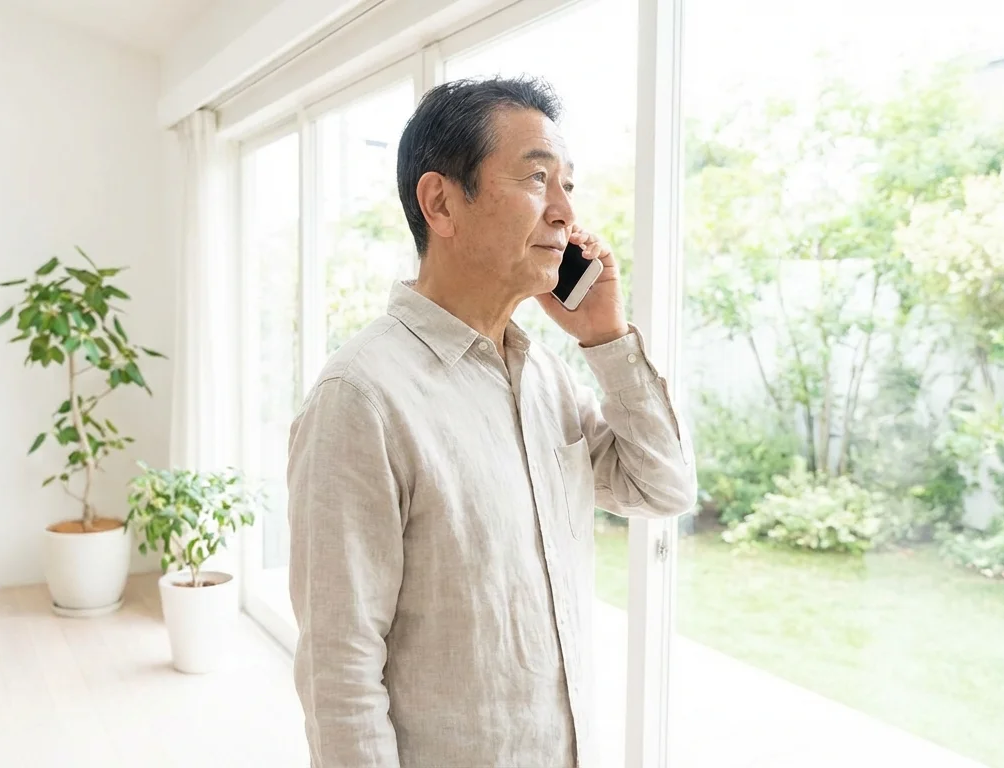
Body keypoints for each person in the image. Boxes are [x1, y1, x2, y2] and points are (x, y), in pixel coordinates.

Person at [286, 76, 697, 768]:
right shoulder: (360, 397)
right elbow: (340, 673)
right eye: (538, 179)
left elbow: (661, 488)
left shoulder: (547, 379)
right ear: (441, 202)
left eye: (568, 184)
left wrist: (606, 336)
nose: (566, 212)